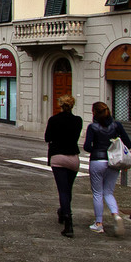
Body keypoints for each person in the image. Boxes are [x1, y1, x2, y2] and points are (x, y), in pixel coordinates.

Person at [83, 101, 131, 236]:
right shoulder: (117, 125)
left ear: (94, 113)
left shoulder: (92, 127)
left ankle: (99, 223)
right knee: (109, 192)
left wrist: (97, 149)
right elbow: (128, 144)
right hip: (113, 162)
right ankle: (116, 214)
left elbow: (87, 146)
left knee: (97, 193)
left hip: (97, 160)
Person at [44, 94, 82, 238]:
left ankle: (68, 221)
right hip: (73, 157)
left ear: (60, 105)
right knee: (68, 189)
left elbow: (47, 138)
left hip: (58, 157)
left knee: (62, 190)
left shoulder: (54, 120)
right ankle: (63, 211)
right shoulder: (78, 120)